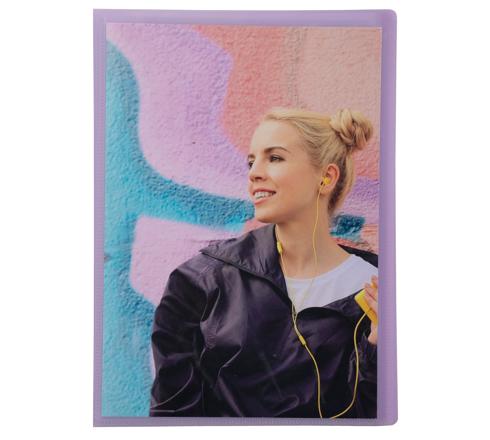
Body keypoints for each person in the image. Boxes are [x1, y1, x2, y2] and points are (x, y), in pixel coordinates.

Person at [149, 107, 379, 418]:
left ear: (326, 177)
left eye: (275, 158)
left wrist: (378, 347)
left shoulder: (380, 287)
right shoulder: (201, 282)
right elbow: (172, 418)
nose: (254, 172)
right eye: (251, 161)